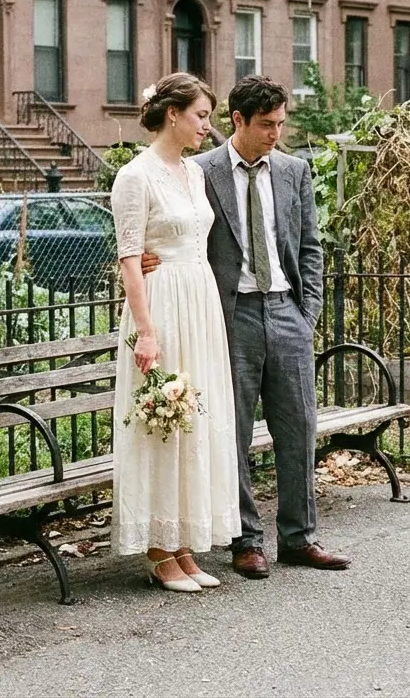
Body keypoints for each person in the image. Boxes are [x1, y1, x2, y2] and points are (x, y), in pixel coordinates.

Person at [143, 75, 350, 578]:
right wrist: (151, 259)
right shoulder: (200, 171)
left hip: (286, 311)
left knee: (298, 427)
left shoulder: (294, 171)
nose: (276, 134)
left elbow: (310, 246)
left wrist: (307, 313)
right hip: (229, 317)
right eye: (266, 125)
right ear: (237, 120)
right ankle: (246, 540)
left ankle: (299, 538)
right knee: (230, 432)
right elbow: (173, 230)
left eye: (281, 123)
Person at [109, 73, 241, 593]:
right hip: (161, 303)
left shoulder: (195, 173)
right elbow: (129, 258)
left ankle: (184, 543)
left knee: (196, 421)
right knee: (163, 421)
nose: (208, 126)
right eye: (201, 116)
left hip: (199, 302)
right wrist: (146, 332)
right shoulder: (135, 176)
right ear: (173, 114)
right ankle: (159, 550)